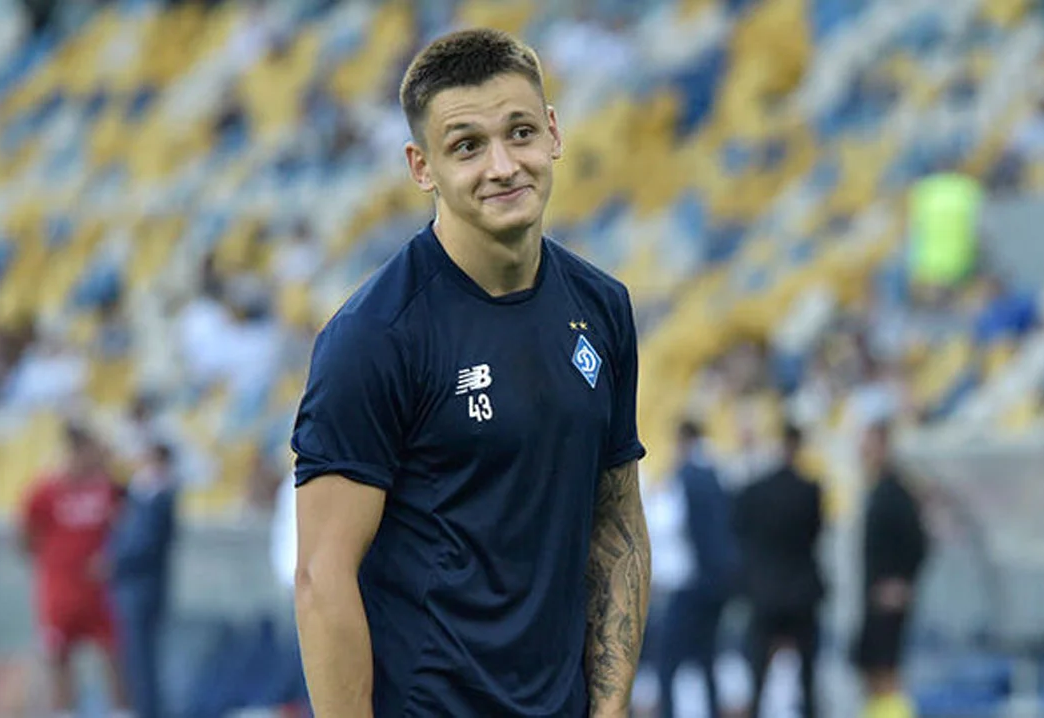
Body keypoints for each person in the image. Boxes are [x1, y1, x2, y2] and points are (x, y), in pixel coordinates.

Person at [290, 27, 650, 718]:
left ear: (553, 132)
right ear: (422, 166)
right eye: (467, 146)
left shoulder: (602, 308)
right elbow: (321, 577)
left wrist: (608, 709)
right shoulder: (374, 337)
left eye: (520, 133)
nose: (503, 165)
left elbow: (616, 523)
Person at [20, 422, 130, 718]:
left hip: (100, 591)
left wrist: (112, 558)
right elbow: (26, 535)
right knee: (58, 655)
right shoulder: (45, 491)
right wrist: (54, 560)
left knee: (114, 654)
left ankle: (120, 711)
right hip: (59, 589)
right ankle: (64, 712)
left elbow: (129, 528)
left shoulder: (108, 488)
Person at [734, 421, 825, 718]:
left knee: (758, 677)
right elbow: (815, 534)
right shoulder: (810, 491)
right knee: (808, 680)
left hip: (766, 591)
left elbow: (739, 531)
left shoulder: (756, 491)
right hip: (801, 591)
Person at [656, 420, 739, 718]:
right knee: (707, 657)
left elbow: (670, 524)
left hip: (693, 581)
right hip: (719, 580)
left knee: (667, 659)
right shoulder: (717, 473)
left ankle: (668, 713)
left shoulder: (686, 476)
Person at [851, 422, 929, 718]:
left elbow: (919, 543)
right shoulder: (877, 490)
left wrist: (903, 583)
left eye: (869, 444)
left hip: (887, 600)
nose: (863, 451)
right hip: (872, 596)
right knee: (870, 671)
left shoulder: (896, 492)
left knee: (886, 674)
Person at [109, 442, 179, 718]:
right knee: (136, 659)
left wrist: (115, 562)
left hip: (144, 589)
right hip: (135, 589)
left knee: (143, 660)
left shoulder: (159, 500)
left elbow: (144, 544)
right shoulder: (141, 498)